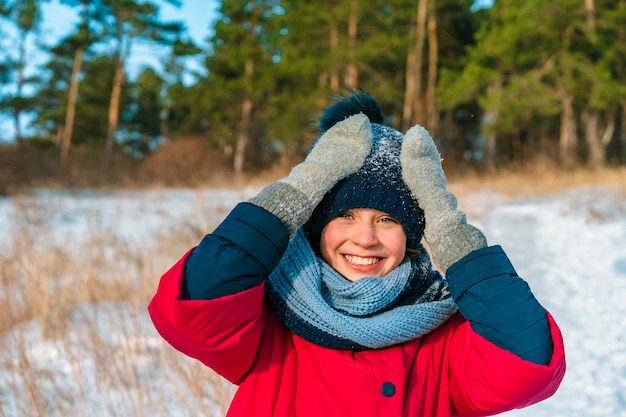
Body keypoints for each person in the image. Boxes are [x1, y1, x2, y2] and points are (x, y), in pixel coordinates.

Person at [148, 92, 566, 416]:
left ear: (414, 234)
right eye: (344, 215)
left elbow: (527, 364)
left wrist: (447, 224)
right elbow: (195, 305)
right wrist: (296, 192)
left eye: (388, 220)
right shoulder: (269, 316)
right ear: (315, 220)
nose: (365, 238)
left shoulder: (444, 333)